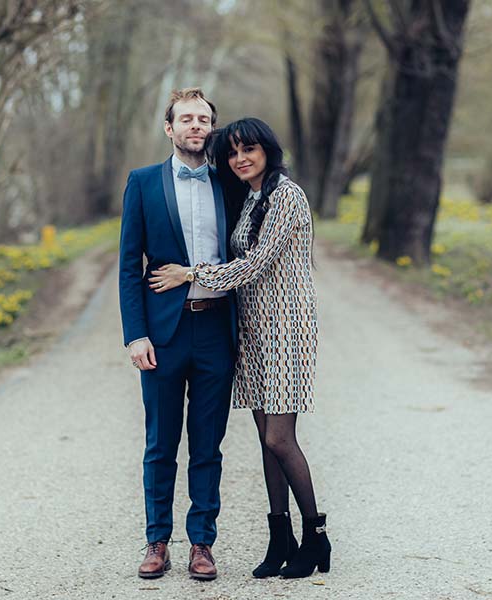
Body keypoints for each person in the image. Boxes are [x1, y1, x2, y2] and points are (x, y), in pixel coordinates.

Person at [149, 117, 331, 579]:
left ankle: (316, 536)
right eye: (231, 153)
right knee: (265, 441)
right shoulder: (250, 197)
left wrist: (190, 274)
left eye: (249, 149)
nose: (240, 158)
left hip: (287, 328)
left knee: (279, 438)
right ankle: (280, 538)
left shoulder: (287, 195)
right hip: (251, 328)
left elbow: (253, 264)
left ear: (268, 149)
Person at [118, 88, 237, 581]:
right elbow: (129, 266)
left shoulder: (229, 184)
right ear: (169, 128)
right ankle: (157, 540)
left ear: (211, 127)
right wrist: (135, 334)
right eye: (186, 118)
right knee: (160, 443)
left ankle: (202, 545)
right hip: (163, 335)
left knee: (208, 445)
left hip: (216, 328)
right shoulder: (143, 183)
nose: (195, 125)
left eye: (203, 119)